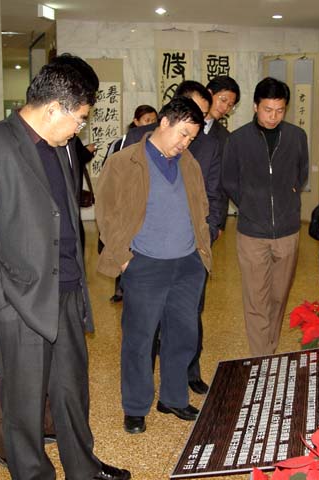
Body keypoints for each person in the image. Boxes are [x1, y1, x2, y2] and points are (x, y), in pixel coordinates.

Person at [0, 54, 130, 480]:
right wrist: (0, 311)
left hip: (66, 293)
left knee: (72, 393)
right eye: (79, 119)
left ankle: (83, 469)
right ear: (53, 109)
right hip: (17, 303)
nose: (80, 128)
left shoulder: (62, 146)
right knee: (24, 407)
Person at [96, 97, 211, 435]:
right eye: (183, 134)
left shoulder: (189, 163)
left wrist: (200, 252)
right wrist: (124, 257)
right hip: (145, 264)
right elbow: (106, 213)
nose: (185, 143)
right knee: (139, 339)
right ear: (164, 122)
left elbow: (201, 206)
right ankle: (135, 407)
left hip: (187, 264)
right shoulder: (125, 161)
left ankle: (173, 398)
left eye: (191, 138)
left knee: (183, 335)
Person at [123, 81, 226, 395]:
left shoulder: (204, 148)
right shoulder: (136, 143)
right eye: (193, 113)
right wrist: (123, 255)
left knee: (186, 325)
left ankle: (181, 384)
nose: (188, 140)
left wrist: (207, 235)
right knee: (143, 331)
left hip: (188, 255)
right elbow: (115, 205)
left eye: (203, 116)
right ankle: (140, 397)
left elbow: (213, 194)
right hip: (147, 256)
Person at [222, 77, 309, 357]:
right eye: (267, 110)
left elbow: (302, 173)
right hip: (252, 233)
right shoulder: (238, 139)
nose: (273, 116)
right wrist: (249, 204)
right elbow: (228, 179)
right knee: (256, 300)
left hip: (287, 230)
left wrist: (289, 198)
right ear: (255, 106)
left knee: (278, 297)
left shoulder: (296, 136)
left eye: (280, 110)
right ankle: (263, 358)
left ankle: (269, 347)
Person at [101, 104, 157, 304]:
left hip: (145, 209)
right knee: (122, 245)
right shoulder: (121, 143)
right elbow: (108, 170)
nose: (150, 125)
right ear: (136, 121)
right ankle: (120, 289)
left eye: (153, 121)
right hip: (123, 205)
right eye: (146, 121)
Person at [204, 75, 241, 149]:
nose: (225, 108)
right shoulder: (184, 119)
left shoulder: (225, 137)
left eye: (230, 105)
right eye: (223, 100)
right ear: (209, 93)